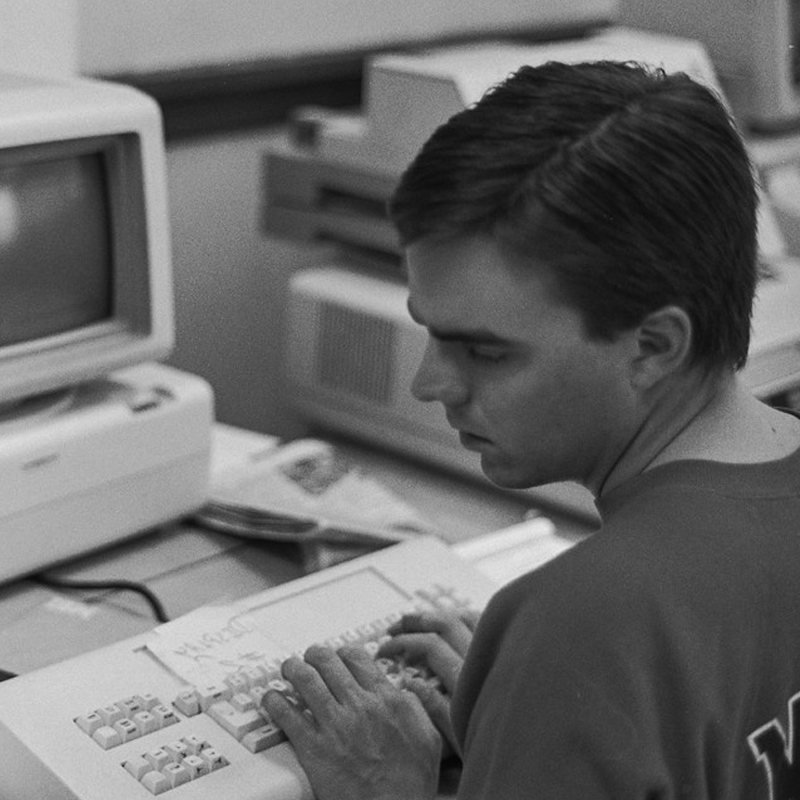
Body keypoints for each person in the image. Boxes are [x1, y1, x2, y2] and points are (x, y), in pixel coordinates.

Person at [263, 60, 800, 799]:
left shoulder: (582, 628)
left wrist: (391, 789)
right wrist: (530, 722)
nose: (430, 384)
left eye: (484, 349)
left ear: (653, 346)